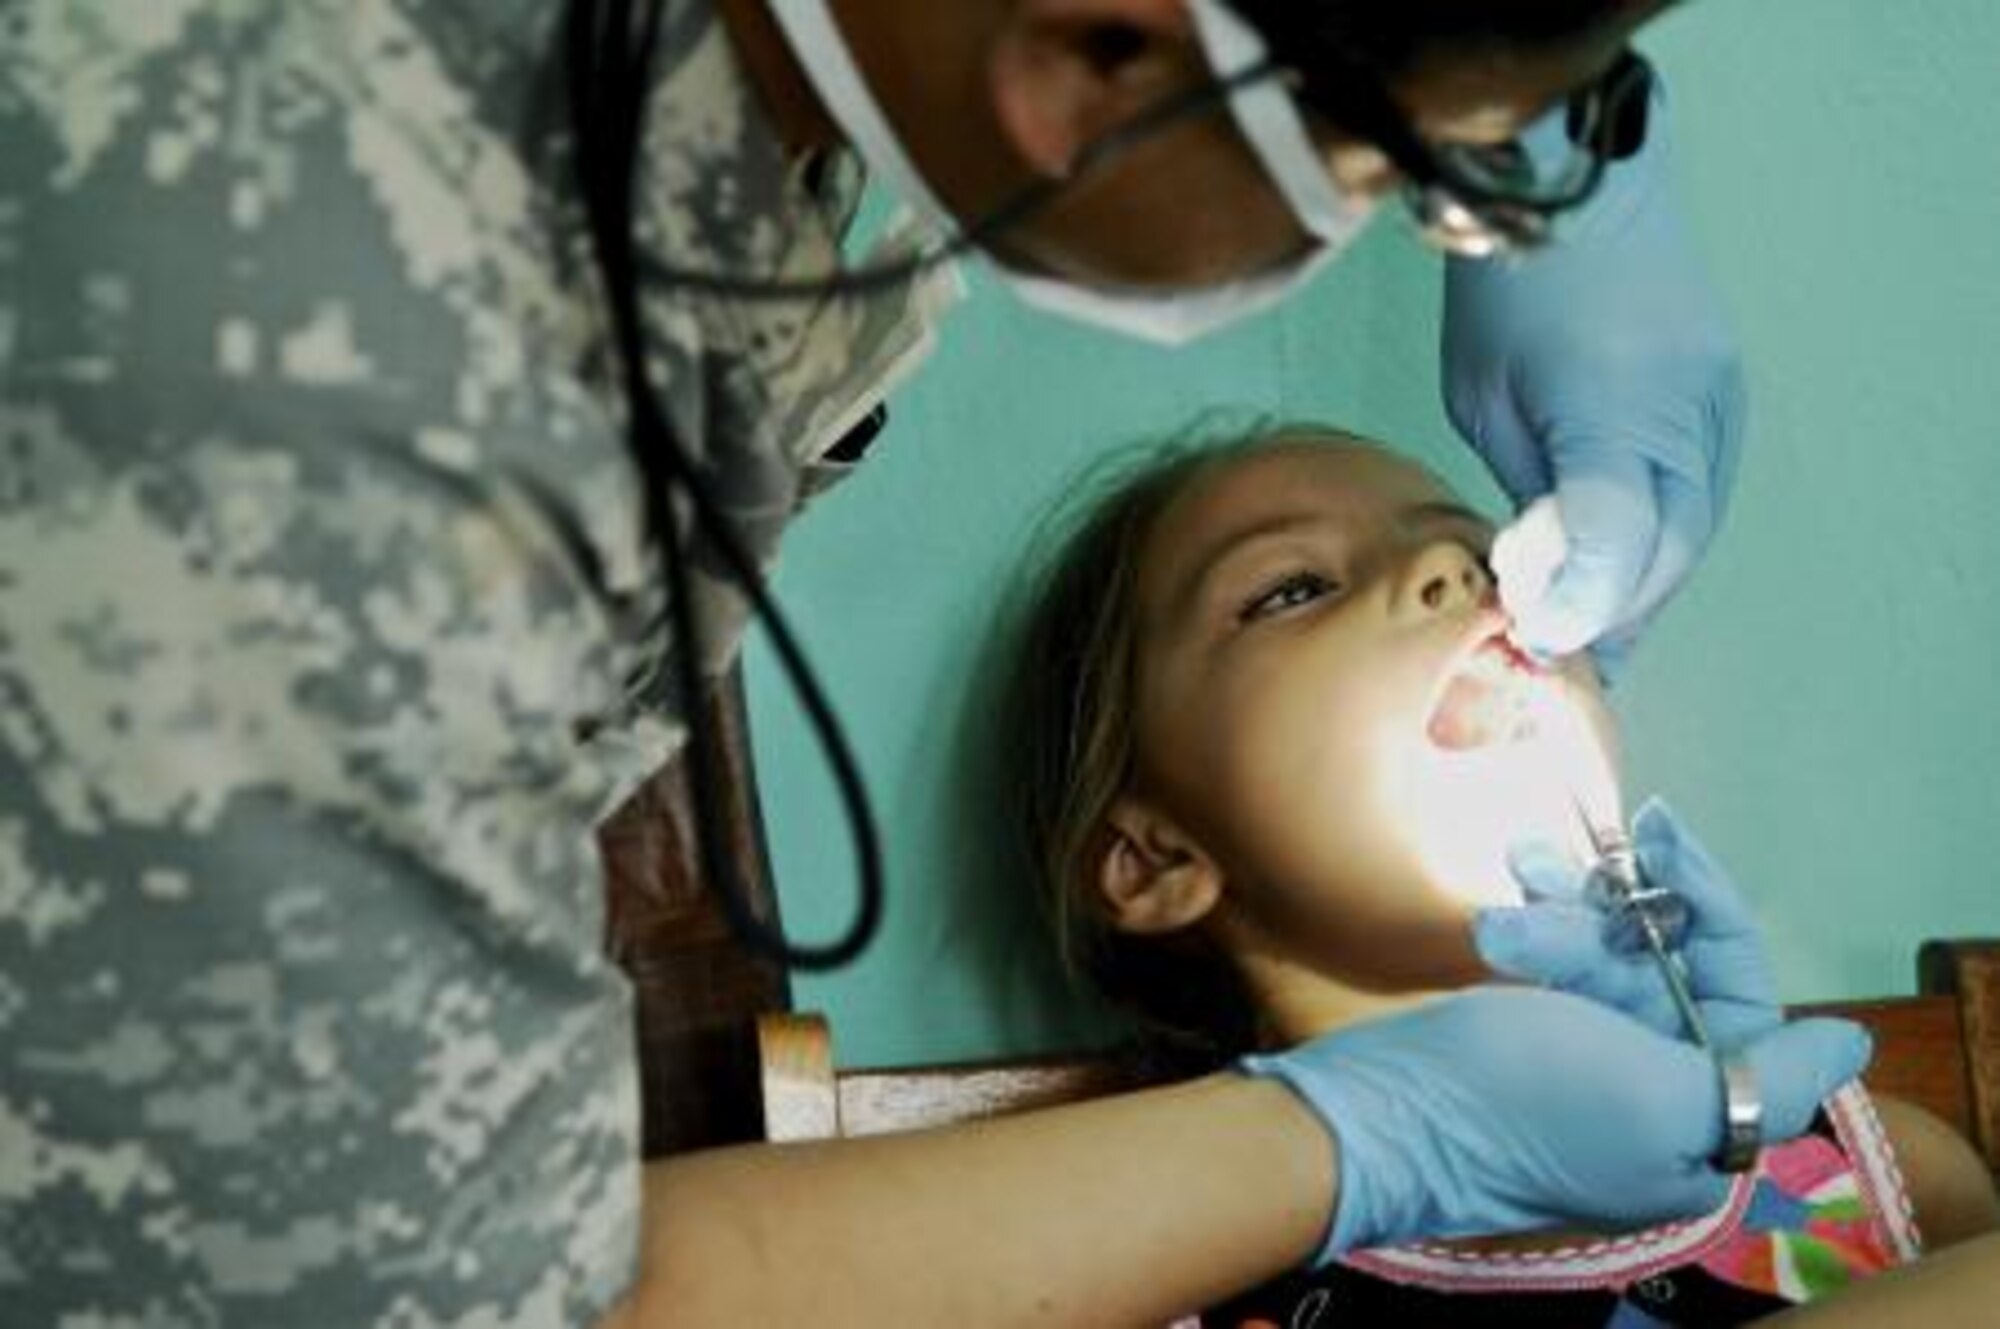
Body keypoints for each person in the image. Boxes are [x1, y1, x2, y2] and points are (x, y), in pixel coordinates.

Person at [0, 2, 1844, 1325]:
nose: (1454, 565)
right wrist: (1379, 1137)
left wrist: (1551, 130)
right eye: (1402, 176)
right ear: (1094, 59)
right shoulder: (306, 374)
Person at [1005, 423, 2000, 1324]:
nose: (1451, 567)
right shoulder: (1159, 1275)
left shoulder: (1882, 1177)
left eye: (1486, 553)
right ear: (1156, 856)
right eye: (1292, 589)